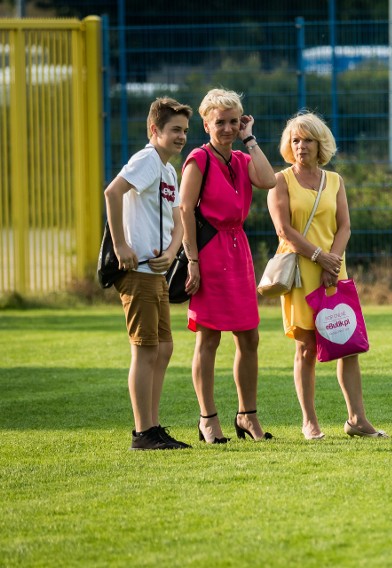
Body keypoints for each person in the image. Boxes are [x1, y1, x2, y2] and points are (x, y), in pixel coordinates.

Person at [267, 112, 385, 440]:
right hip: (301, 270)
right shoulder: (280, 180)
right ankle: (309, 422)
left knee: (347, 344)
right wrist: (319, 257)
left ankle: (357, 420)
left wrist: (333, 263)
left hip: (334, 269)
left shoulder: (335, 181)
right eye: (295, 140)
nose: (300, 146)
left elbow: (345, 225)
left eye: (307, 140)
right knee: (305, 347)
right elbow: (283, 230)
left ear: (320, 145)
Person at [179, 88, 277, 444]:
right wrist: (192, 260)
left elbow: (269, 181)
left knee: (249, 336)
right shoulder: (198, 160)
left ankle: (247, 415)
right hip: (208, 253)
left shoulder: (242, 159)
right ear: (205, 123)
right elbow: (185, 210)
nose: (227, 128)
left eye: (234, 122)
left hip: (239, 253)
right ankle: (208, 419)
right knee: (208, 338)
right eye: (220, 122)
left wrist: (250, 139)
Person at [104, 97, 193, 450]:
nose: (181, 136)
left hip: (155, 272)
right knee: (145, 349)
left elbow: (177, 222)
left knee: (164, 347)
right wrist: (121, 244)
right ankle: (144, 432)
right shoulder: (146, 160)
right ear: (154, 130)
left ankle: (153, 426)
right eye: (174, 130)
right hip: (137, 269)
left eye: (185, 131)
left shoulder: (168, 169)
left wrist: (172, 253)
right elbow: (113, 192)